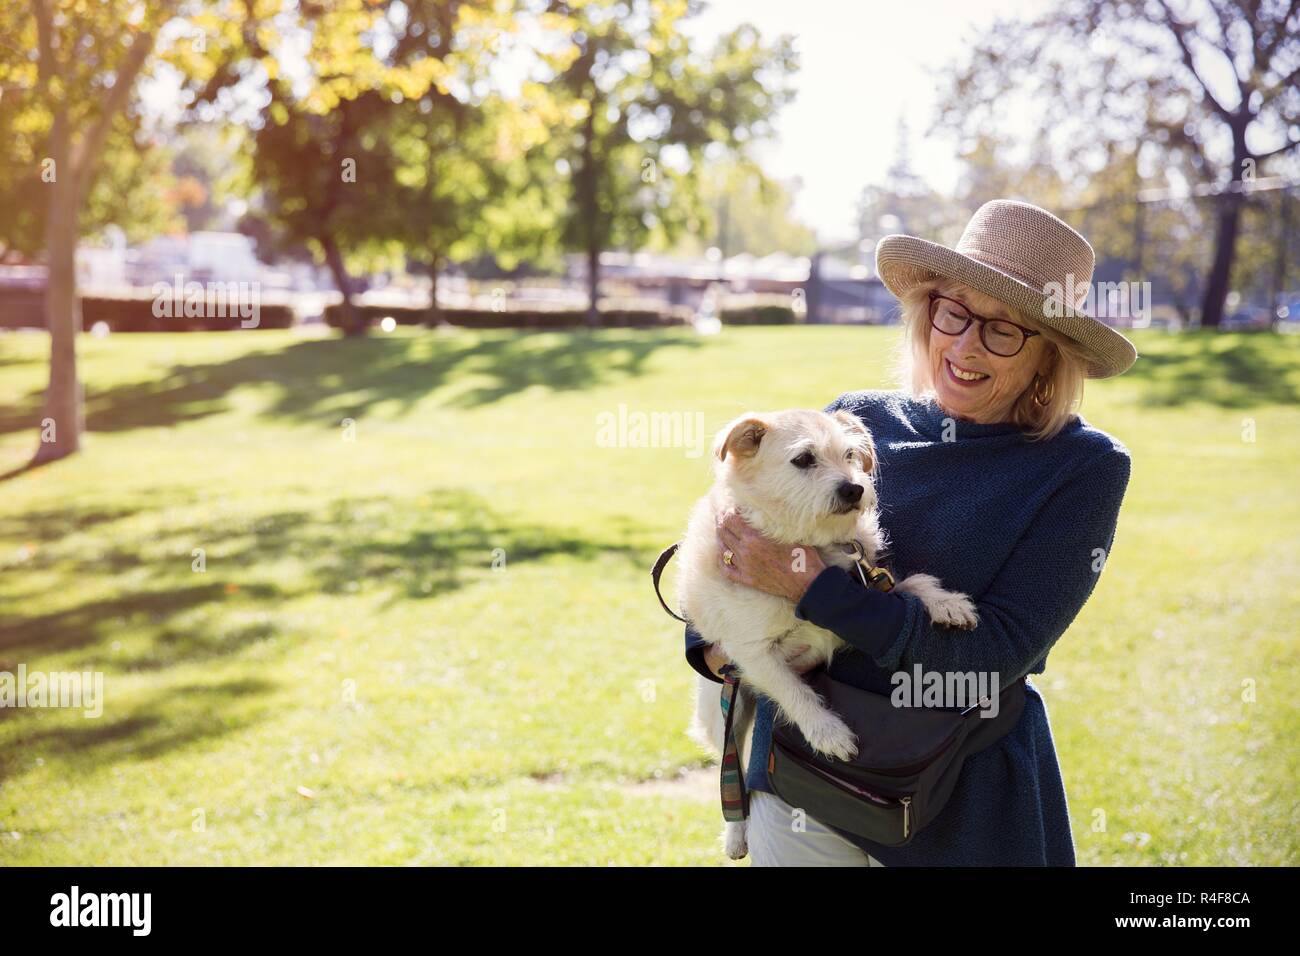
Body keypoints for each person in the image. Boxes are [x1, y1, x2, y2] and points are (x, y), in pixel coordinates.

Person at [685, 199, 1139, 866]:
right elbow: (730, 544)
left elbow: (991, 657)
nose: (964, 344)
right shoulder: (856, 419)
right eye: (954, 312)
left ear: (1051, 354)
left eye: (1004, 330)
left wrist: (810, 591)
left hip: (960, 800)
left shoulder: (1083, 467)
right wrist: (716, 650)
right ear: (929, 311)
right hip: (805, 777)